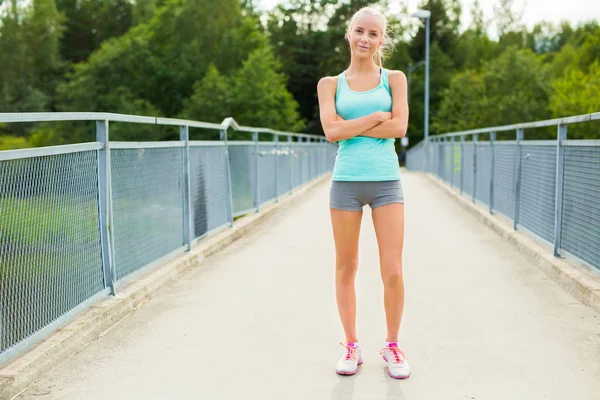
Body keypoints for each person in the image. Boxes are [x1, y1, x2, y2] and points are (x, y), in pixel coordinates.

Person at [316, 6, 410, 379]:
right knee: (347, 267)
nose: (365, 39)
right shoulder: (330, 84)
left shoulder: (395, 78)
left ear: (381, 40)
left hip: (387, 182)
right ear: (348, 34)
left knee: (392, 270)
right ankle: (351, 346)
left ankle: (392, 346)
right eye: (360, 31)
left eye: (373, 34)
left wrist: (350, 125)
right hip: (346, 184)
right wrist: (375, 117)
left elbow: (400, 127)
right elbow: (331, 132)